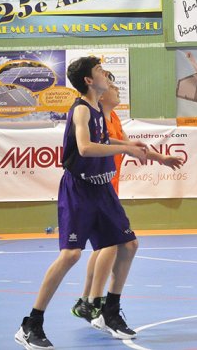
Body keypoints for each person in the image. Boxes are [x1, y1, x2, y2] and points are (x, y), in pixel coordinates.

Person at [15, 57, 150, 349]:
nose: (106, 76)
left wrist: (133, 147)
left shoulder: (99, 109)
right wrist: (126, 147)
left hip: (103, 189)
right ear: (89, 80)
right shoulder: (80, 110)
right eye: (101, 72)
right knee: (71, 255)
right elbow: (86, 148)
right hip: (80, 190)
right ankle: (31, 324)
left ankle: (110, 312)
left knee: (128, 245)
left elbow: (104, 140)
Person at [71, 73, 185, 327]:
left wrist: (161, 158)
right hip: (95, 189)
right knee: (115, 244)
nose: (115, 88)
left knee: (106, 247)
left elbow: (129, 147)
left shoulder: (113, 119)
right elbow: (90, 147)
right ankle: (96, 304)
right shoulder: (93, 116)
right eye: (111, 85)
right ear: (99, 92)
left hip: (109, 189)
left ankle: (88, 301)